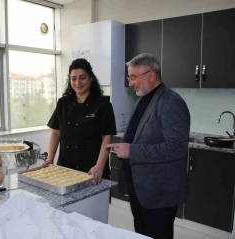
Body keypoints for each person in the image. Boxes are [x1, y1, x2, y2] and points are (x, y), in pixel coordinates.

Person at [106, 53, 190, 239]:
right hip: (141, 188)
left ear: (151, 75)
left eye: (134, 77)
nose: (130, 83)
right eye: (129, 77)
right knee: (142, 234)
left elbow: (176, 147)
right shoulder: (143, 100)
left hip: (158, 193)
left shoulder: (171, 102)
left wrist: (131, 150)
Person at [43, 58, 117, 184]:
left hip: (92, 170)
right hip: (65, 170)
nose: (78, 82)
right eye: (73, 78)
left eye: (82, 77)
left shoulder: (103, 105)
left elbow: (107, 138)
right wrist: (50, 158)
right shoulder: (63, 103)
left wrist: (99, 167)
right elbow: (56, 133)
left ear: (90, 78)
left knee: (94, 203)